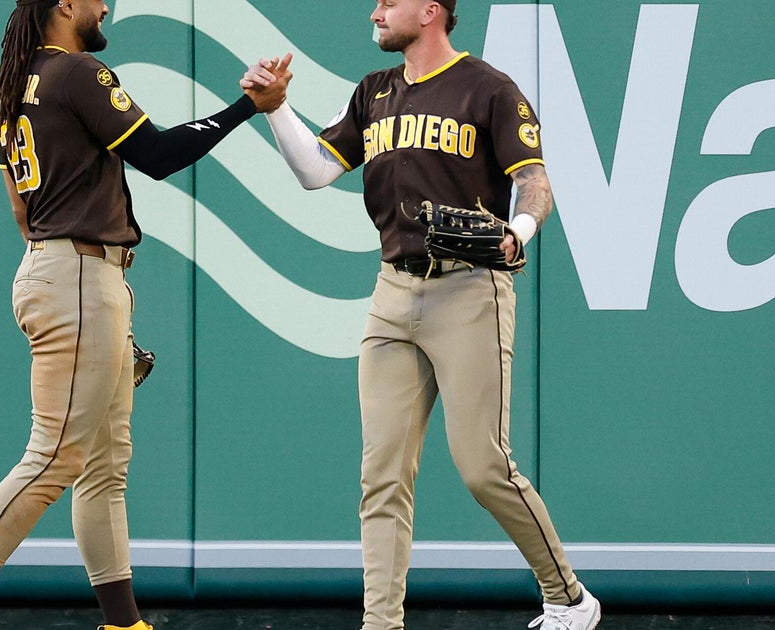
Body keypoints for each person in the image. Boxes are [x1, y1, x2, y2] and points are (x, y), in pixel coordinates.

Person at [0, 1, 289, 629]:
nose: (105, 6)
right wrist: (248, 105)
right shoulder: (75, 71)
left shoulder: (14, 85)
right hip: (81, 276)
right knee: (55, 456)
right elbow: (158, 154)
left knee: (103, 468)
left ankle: (123, 623)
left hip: (60, 268)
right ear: (64, 3)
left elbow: (21, 211)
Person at [241, 1, 600, 628]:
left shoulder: (488, 89)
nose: (375, 11)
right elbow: (316, 171)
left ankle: (568, 597)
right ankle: (380, 624)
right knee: (381, 476)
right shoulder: (373, 91)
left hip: (469, 290)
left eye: (390, 1)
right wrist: (276, 110)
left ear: (431, 10)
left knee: (484, 468)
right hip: (392, 292)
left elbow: (536, 182)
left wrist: (517, 231)